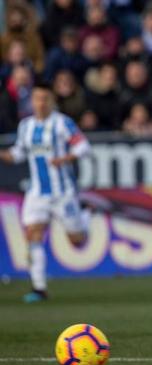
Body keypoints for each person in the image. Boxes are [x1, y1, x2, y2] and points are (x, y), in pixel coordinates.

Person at [0, 81, 91, 303]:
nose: (40, 103)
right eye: (37, 98)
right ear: (32, 101)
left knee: (77, 241)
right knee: (32, 233)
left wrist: (65, 158)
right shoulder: (26, 126)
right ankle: (39, 288)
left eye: (45, 99)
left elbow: (83, 147)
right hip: (37, 193)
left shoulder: (62, 123)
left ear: (52, 101)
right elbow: (19, 154)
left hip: (63, 193)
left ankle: (86, 215)